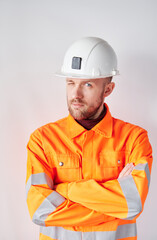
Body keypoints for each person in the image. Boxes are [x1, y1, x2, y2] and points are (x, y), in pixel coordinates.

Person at [26, 37, 153, 240]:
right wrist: (112, 203)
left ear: (108, 90)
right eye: (70, 83)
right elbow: (40, 211)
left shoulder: (135, 139)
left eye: (87, 84)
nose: (75, 94)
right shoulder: (42, 140)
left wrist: (64, 189)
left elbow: (132, 204)